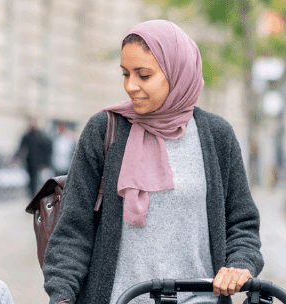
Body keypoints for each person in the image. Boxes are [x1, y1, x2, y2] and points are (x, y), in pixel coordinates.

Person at [42, 20, 264, 304]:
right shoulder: (104, 130)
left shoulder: (217, 136)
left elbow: (242, 222)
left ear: (176, 72)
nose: (131, 86)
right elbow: (73, 229)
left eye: (143, 75)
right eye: (125, 74)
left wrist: (240, 265)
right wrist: (61, 295)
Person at [14, 117, 53, 199]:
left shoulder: (42, 136)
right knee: (31, 181)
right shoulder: (27, 135)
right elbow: (21, 147)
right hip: (30, 162)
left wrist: (46, 163)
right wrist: (16, 158)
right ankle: (32, 196)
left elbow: (47, 150)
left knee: (38, 181)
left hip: (39, 163)